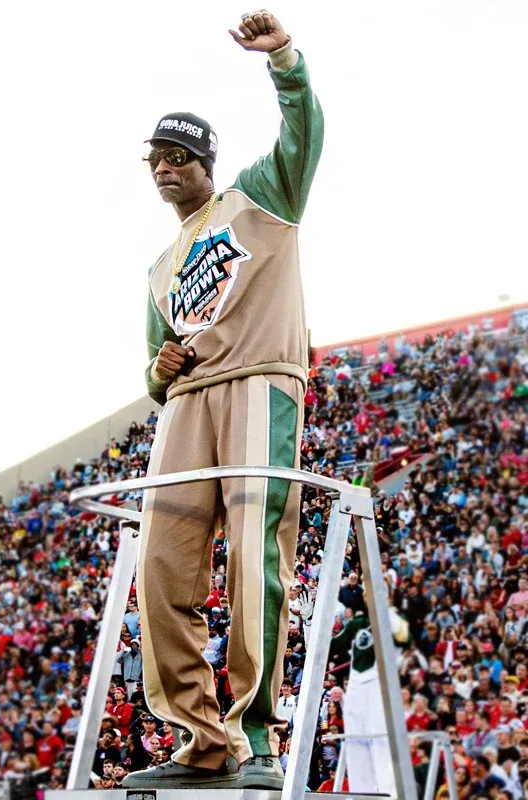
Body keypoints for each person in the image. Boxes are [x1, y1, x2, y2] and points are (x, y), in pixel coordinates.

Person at [124, 8, 323, 793]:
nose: (166, 170)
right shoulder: (158, 267)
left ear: (206, 162)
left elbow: (302, 132)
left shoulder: (261, 195)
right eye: (155, 162)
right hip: (188, 404)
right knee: (161, 571)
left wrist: (285, 63)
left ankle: (254, 735)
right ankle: (198, 739)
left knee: (253, 560)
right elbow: (151, 366)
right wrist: (157, 370)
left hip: (259, 383)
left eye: (178, 157)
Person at [328, 604, 410, 798]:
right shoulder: (358, 623)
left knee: (380, 739)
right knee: (355, 740)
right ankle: (360, 794)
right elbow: (335, 644)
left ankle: (389, 793)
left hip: (380, 680)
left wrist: (388, 613)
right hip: (356, 683)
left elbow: (405, 637)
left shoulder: (393, 617)